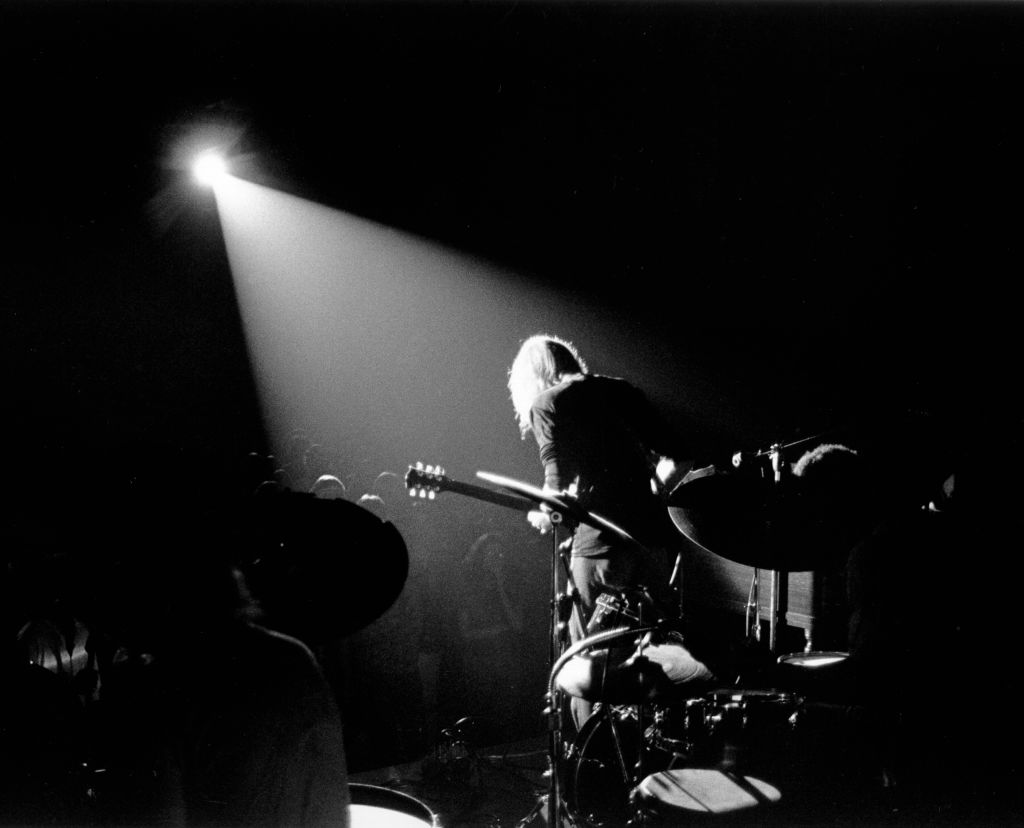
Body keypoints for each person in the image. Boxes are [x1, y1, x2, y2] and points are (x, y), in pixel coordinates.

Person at [507, 334, 711, 723]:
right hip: (652, 543)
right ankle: (648, 761)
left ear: (533, 376)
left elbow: (555, 484)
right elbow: (681, 455)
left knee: (590, 661)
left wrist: (541, 512)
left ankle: (592, 763)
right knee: (651, 656)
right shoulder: (620, 391)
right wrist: (654, 494)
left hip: (599, 548)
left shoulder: (547, 403)